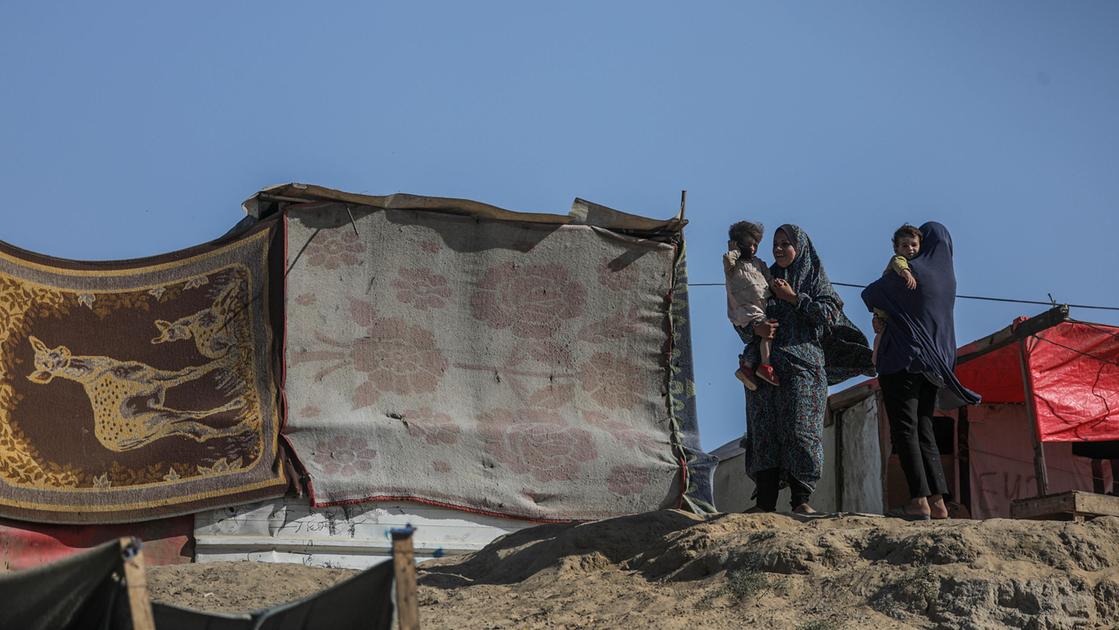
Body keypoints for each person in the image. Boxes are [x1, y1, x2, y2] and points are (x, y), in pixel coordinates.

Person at [741, 224, 873, 514]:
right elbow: (744, 312)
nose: (778, 248)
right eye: (775, 243)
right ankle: (764, 504)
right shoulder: (763, 278)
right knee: (765, 433)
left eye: (785, 243)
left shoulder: (816, 282)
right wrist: (755, 328)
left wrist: (794, 298)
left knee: (801, 432)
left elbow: (827, 315)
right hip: (766, 371)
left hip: (804, 369)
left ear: (800, 249)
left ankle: (801, 500)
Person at [862, 221, 981, 520]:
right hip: (934, 366)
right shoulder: (948, 279)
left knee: (905, 431)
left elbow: (870, 294)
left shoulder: (913, 274)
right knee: (925, 429)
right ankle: (939, 502)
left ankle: (919, 499)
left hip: (903, 361)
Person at [724, 221, 778, 390]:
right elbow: (727, 259)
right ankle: (766, 366)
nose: (753, 248)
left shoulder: (759, 263)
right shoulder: (733, 265)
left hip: (760, 306)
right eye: (749, 244)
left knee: (761, 337)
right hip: (745, 310)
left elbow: (769, 279)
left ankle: (747, 367)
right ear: (739, 244)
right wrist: (734, 251)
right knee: (767, 333)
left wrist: (777, 286)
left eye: (756, 245)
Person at [871, 224, 922, 365]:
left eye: (914, 245)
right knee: (880, 334)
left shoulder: (918, 263)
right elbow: (898, 263)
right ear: (897, 249)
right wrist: (906, 274)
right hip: (884, 308)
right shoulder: (899, 259)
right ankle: (875, 358)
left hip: (894, 309)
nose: (910, 249)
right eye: (905, 246)